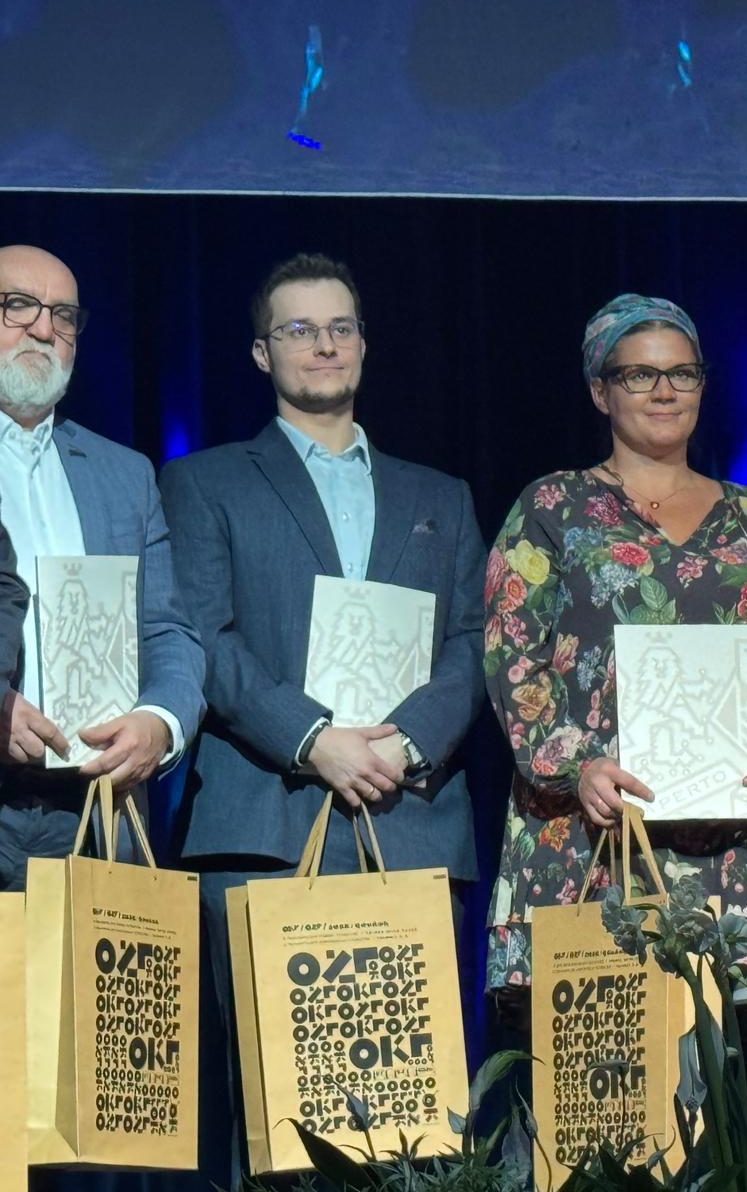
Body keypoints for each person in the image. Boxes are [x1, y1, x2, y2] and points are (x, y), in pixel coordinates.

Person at [160, 252, 486, 1182]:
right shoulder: (205, 483)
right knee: (279, 1129)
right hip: (266, 825)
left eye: (340, 327)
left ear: (365, 346)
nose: (323, 345)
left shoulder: (441, 496)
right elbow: (205, 636)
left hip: (409, 820)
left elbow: (473, 641)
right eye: (298, 329)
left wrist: (404, 742)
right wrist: (313, 740)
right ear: (262, 353)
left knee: (413, 1133)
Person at [483, 293, 747, 1015]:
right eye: (639, 375)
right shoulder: (552, 508)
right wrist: (576, 765)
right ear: (601, 391)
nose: (663, 391)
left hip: (723, 850)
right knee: (599, 1071)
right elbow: (511, 656)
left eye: (682, 373)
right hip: (587, 837)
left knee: (721, 1072)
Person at [0, 244, 204, 890]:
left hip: (96, 811)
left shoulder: (125, 475)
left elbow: (168, 632)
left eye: (63, 316)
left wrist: (159, 723)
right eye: (18, 306)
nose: (43, 329)